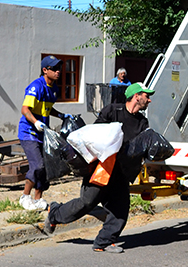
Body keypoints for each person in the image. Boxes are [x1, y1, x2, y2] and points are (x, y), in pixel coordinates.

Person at [44, 82, 155, 252]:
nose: (149, 100)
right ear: (136, 96)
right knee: (86, 202)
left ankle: (103, 241)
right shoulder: (112, 111)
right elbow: (94, 135)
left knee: (120, 209)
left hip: (121, 172)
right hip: (102, 168)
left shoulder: (142, 121)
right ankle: (55, 213)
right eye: (147, 96)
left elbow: (141, 145)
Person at [18, 56, 70, 211]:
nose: (58, 72)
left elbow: (47, 108)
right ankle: (25, 197)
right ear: (45, 70)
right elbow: (25, 109)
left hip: (43, 134)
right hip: (29, 132)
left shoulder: (53, 88)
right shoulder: (36, 86)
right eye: (54, 69)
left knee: (46, 167)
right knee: (37, 165)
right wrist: (35, 122)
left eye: (59, 68)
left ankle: (38, 199)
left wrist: (60, 115)